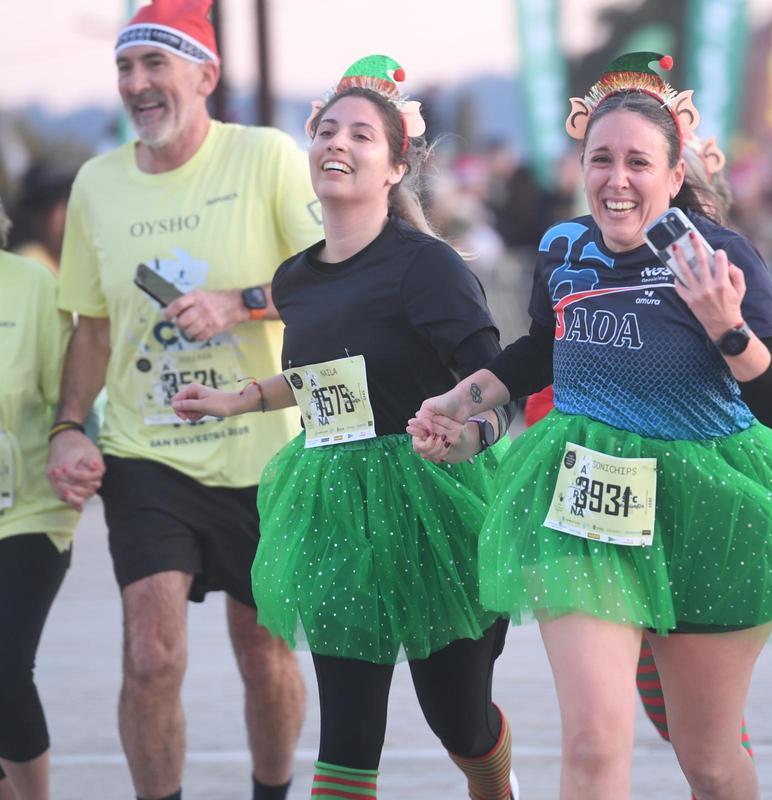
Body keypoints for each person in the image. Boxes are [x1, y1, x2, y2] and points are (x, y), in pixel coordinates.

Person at [410, 53, 772, 800]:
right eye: (601, 160)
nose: (616, 179)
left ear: (674, 170)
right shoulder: (562, 249)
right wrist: (458, 403)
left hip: (706, 505)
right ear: (580, 165)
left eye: (637, 162)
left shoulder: (720, 254)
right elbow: (539, 353)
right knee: (592, 745)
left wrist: (727, 328)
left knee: (711, 763)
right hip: (587, 500)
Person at [171, 56, 518, 800]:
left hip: (434, 507)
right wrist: (241, 399)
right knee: (349, 734)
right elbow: (326, 381)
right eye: (328, 129)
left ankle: (494, 783)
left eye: (363, 134)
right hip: (333, 505)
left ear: (395, 167)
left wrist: (468, 434)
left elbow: (496, 388)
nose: (340, 143)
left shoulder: (427, 267)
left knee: (458, 720)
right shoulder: (297, 277)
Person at [49, 2, 318, 797]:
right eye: (125, 69)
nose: (137, 84)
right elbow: (91, 328)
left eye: (154, 65)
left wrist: (243, 301)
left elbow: (333, 276)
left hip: (263, 449)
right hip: (147, 451)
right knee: (151, 653)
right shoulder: (97, 183)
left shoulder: (266, 157)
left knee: (263, 649)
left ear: (205, 75)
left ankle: (270, 792)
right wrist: (70, 426)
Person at [0, 198, 80, 800]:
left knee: (3, 669)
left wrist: (75, 445)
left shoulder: (30, 285)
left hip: (26, 511)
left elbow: (72, 404)